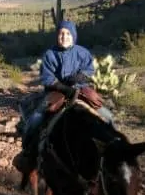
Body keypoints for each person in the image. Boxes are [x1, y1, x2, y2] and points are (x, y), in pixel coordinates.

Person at [15, 20, 114, 169]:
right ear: (57, 35)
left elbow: (89, 69)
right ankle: (28, 152)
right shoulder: (49, 54)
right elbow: (47, 78)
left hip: (80, 89)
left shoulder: (82, 52)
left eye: (68, 33)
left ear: (73, 36)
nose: (64, 36)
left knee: (108, 116)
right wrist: (64, 88)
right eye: (61, 33)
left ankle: (114, 151)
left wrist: (81, 77)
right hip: (56, 90)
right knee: (36, 117)